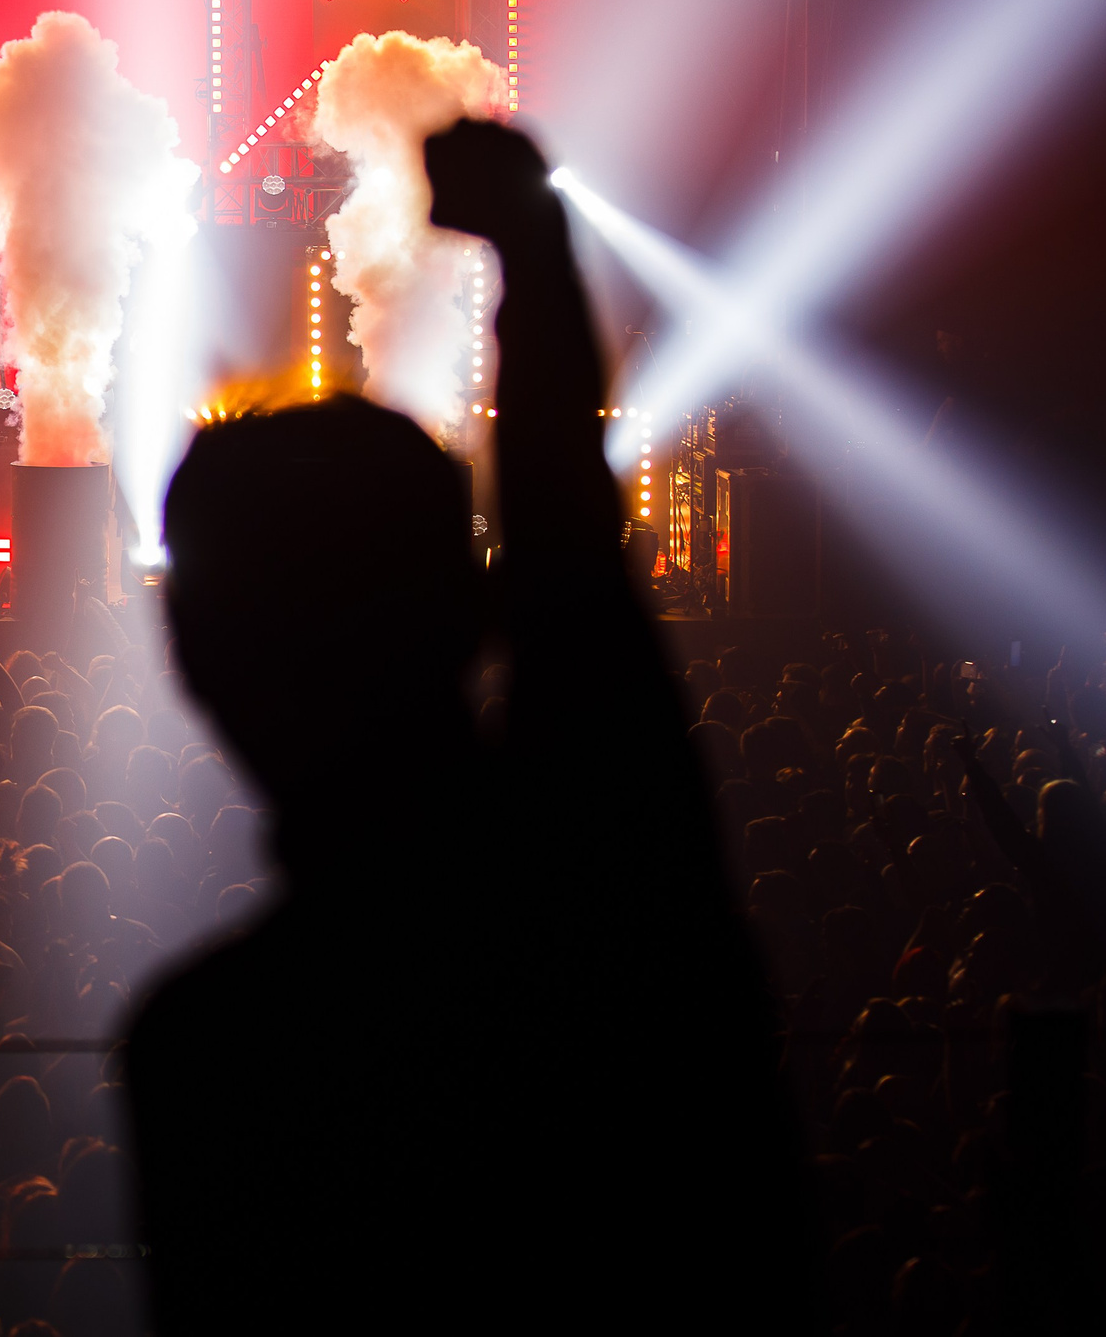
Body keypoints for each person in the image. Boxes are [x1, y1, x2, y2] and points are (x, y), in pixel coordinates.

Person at [125, 120, 818, 1332]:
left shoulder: (208, 1052)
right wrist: (529, 250)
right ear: (466, 603)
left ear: (194, 662)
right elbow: (567, 554)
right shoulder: (613, 901)